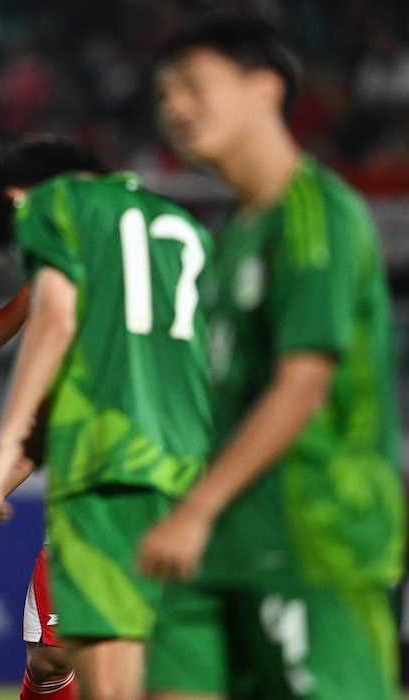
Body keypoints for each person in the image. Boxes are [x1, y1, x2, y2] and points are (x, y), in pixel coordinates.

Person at [140, 16, 405, 700]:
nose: (175, 107)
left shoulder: (315, 212)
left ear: (266, 89)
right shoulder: (232, 239)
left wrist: (196, 509)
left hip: (311, 542)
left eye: (194, 85)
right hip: (216, 545)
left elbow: (304, 383)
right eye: (165, 93)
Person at [0, 135, 215, 700]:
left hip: (107, 479)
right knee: (173, 668)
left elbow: (54, 320)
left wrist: (1, 448)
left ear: (19, 196)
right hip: (195, 474)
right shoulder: (184, 227)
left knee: (108, 678)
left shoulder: (56, 204)